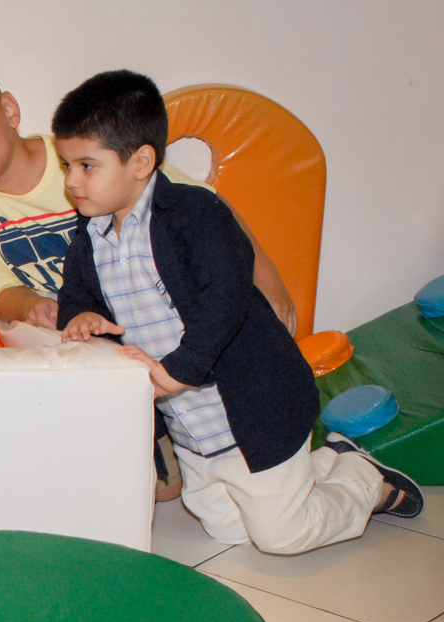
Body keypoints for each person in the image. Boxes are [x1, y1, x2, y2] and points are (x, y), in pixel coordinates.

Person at [54, 70, 422, 555]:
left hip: (254, 408)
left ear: (141, 161)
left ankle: (362, 479)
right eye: (66, 166)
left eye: (86, 165)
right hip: (191, 425)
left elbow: (224, 300)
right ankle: (327, 461)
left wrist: (180, 370)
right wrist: (80, 315)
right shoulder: (92, 235)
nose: (71, 182)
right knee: (228, 529)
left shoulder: (194, 213)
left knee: (282, 537)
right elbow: (75, 293)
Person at [0, 53, 298, 502]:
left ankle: (184, 434)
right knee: (151, 489)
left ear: (10, 111)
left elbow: (208, 212)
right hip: (77, 329)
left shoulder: (80, 154)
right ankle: (144, 442)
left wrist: (270, 285)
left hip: (150, 310)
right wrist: (33, 306)